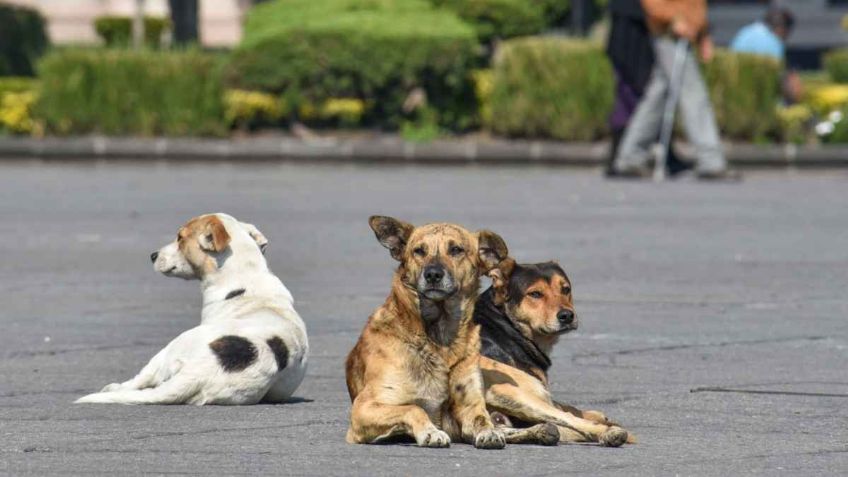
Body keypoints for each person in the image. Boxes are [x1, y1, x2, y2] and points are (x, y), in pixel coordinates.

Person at [613, 0, 739, 180]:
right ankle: (711, 161)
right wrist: (673, 20)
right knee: (693, 94)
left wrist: (703, 34)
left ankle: (630, 156)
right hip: (669, 34)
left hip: (678, 34)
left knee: (657, 96)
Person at [605, 0, 691, 177]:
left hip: (638, 24)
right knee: (636, 93)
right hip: (634, 27)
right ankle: (624, 155)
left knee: (646, 92)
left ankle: (630, 155)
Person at [731, 6, 801, 104]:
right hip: (756, 99)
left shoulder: (745, 32)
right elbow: (778, 80)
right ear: (782, 28)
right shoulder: (772, 42)